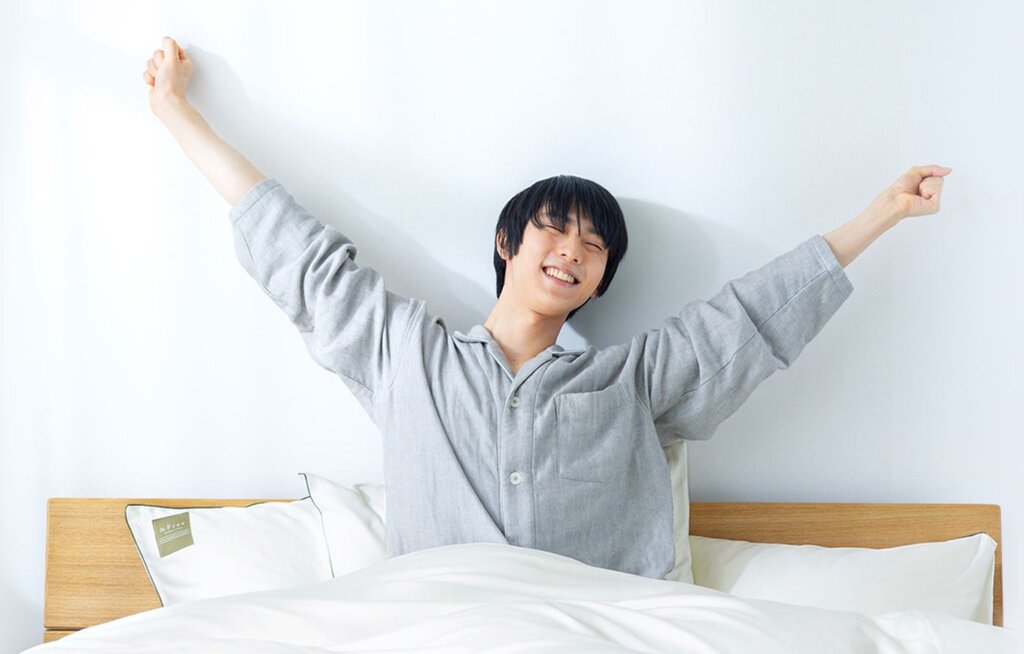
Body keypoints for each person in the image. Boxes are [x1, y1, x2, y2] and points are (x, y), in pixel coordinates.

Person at [143, 37, 951, 578]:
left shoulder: (630, 381)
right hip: (448, 625)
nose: (571, 250)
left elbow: (752, 321)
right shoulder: (407, 356)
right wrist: (178, 113)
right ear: (508, 243)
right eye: (554, 229)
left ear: (600, 283)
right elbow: (299, 256)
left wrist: (882, 213)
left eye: (593, 246)